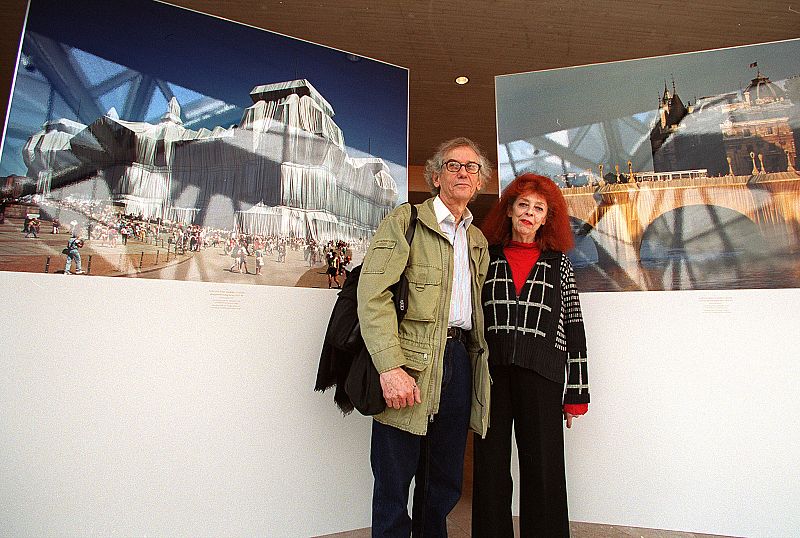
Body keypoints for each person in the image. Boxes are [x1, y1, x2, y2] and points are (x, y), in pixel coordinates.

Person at [357, 137, 492, 537]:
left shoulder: (478, 240)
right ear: (435, 176)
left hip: (458, 361)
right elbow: (373, 294)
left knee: (443, 482)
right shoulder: (406, 221)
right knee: (394, 481)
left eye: (471, 167)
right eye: (453, 165)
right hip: (410, 362)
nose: (463, 172)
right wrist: (390, 367)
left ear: (480, 181)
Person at [472, 173, 590, 538]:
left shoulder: (559, 263)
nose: (529, 213)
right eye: (523, 205)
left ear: (546, 218)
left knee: (544, 471)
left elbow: (574, 324)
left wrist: (577, 394)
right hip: (492, 377)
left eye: (538, 209)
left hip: (544, 377)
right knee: (490, 469)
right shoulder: (486, 257)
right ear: (508, 210)